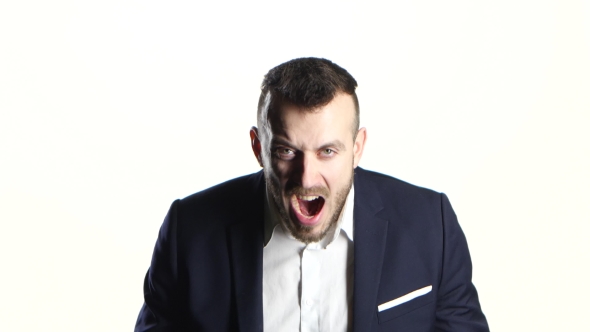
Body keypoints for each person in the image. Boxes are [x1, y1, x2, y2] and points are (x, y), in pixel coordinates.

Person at [134, 57, 489, 332]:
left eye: (328, 152)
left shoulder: (430, 226)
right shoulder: (191, 232)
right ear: (259, 147)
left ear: (357, 147)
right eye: (287, 151)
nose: (307, 177)